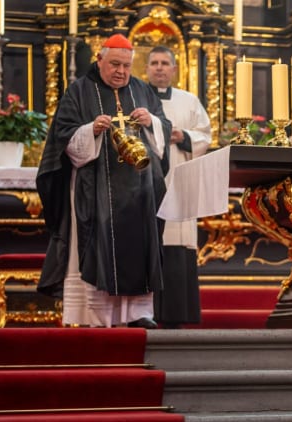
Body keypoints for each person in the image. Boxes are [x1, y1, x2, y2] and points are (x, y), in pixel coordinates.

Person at [36, 34, 172, 329]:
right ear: (99, 60)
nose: (121, 71)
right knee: (97, 246)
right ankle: (94, 316)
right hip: (95, 188)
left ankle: (136, 313)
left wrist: (152, 122)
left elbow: (164, 128)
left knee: (139, 247)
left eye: (126, 65)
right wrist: (90, 130)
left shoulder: (142, 90)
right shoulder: (79, 90)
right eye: (114, 64)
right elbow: (62, 136)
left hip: (140, 192)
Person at [146, 46, 211, 328]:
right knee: (147, 244)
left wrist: (182, 135)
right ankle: (141, 314)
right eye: (154, 63)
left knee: (176, 242)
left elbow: (205, 135)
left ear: (174, 69)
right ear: (146, 68)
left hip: (179, 181)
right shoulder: (137, 98)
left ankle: (175, 316)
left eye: (165, 63)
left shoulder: (189, 101)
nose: (160, 68)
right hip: (146, 181)